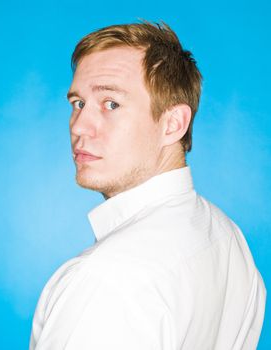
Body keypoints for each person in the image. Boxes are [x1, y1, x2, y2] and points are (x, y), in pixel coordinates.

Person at [29, 21, 266, 349]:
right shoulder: (228, 238)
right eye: (78, 103)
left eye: (111, 103)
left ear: (173, 124)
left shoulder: (106, 282)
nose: (79, 126)